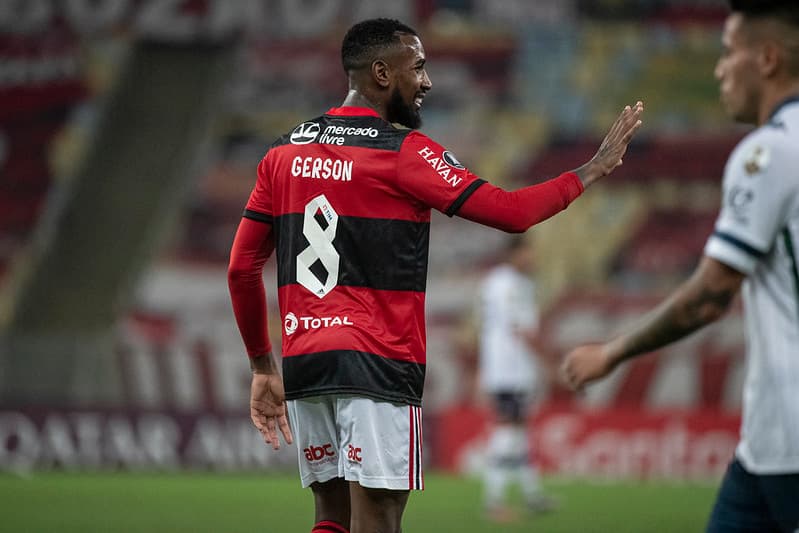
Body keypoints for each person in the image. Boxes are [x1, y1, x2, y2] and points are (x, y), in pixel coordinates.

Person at [228, 17, 643, 533]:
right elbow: (510, 212)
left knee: (330, 518)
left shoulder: (283, 152)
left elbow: (242, 267)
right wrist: (591, 169)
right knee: (379, 521)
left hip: (307, 362)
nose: (426, 82)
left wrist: (262, 366)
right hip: (376, 360)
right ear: (382, 73)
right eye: (418, 67)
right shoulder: (404, 152)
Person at [560, 1, 799, 532]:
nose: (718, 69)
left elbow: (713, 293)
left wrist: (614, 351)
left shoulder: (771, 152)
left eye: (727, 52)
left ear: (766, 58)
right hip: (762, 446)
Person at [476, 235, 556, 522]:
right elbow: (518, 328)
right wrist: (548, 360)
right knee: (508, 429)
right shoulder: (506, 284)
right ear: (514, 254)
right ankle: (493, 502)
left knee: (519, 431)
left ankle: (532, 495)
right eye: (528, 253)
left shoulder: (510, 282)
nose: (532, 259)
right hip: (507, 367)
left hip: (514, 367)